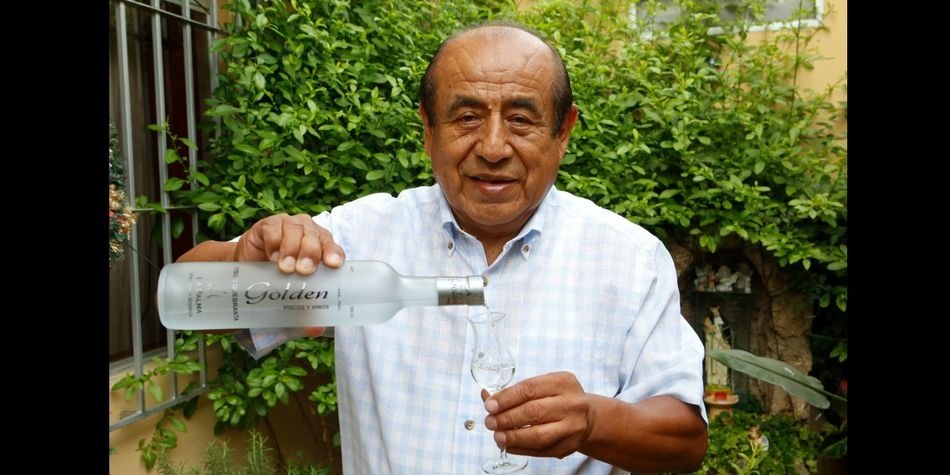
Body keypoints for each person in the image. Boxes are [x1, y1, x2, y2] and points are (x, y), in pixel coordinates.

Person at [180, 20, 708, 474]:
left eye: (521, 119)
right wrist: (242, 263)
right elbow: (189, 299)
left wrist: (593, 421)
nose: (494, 147)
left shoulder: (629, 259)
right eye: (467, 117)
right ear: (428, 128)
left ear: (563, 130)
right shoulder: (359, 239)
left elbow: (686, 440)